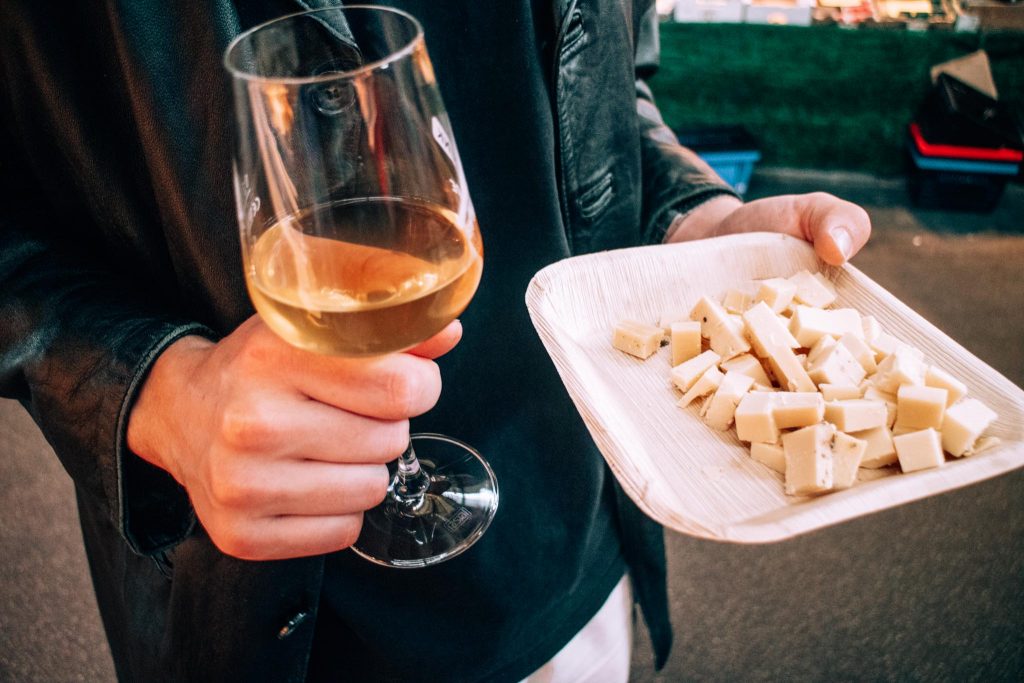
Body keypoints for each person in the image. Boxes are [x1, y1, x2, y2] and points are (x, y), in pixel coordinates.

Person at [0, 1, 870, 681]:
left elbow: (616, 84)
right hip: (264, 614)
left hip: (574, 538)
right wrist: (154, 390)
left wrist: (691, 217)